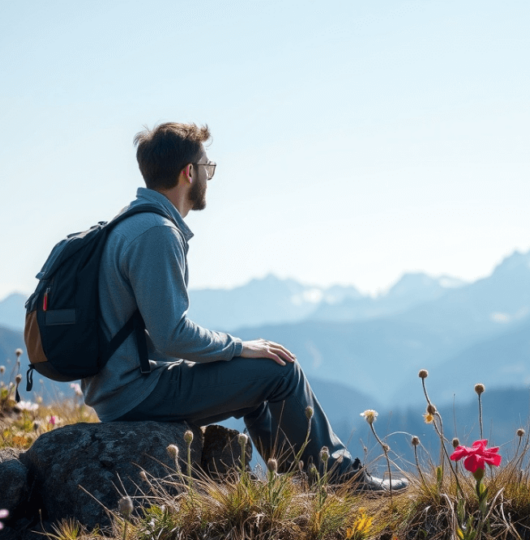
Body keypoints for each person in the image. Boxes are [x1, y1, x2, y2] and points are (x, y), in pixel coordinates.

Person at [80, 122, 407, 492]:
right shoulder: (157, 233)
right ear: (189, 173)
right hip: (134, 393)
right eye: (208, 168)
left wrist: (229, 356)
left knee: (251, 374)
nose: (209, 177)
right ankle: (343, 480)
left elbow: (145, 332)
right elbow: (171, 336)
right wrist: (238, 347)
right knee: (280, 370)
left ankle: (295, 474)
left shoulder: (130, 222)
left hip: (119, 387)